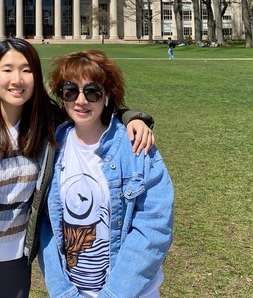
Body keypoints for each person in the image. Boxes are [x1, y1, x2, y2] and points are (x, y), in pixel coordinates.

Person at [0, 39, 156, 298]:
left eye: (27, 70)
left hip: (16, 267)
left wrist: (131, 118)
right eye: (7, 69)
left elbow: (87, 111)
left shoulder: (48, 124)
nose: (17, 79)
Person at [39, 50, 174, 298]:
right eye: (70, 91)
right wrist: (63, 292)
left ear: (108, 96)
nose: (81, 101)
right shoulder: (51, 146)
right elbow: (45, 225)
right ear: (61, 96)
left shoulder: (136, 147)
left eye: (93, 92)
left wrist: (114, 294)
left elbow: (154, 227)